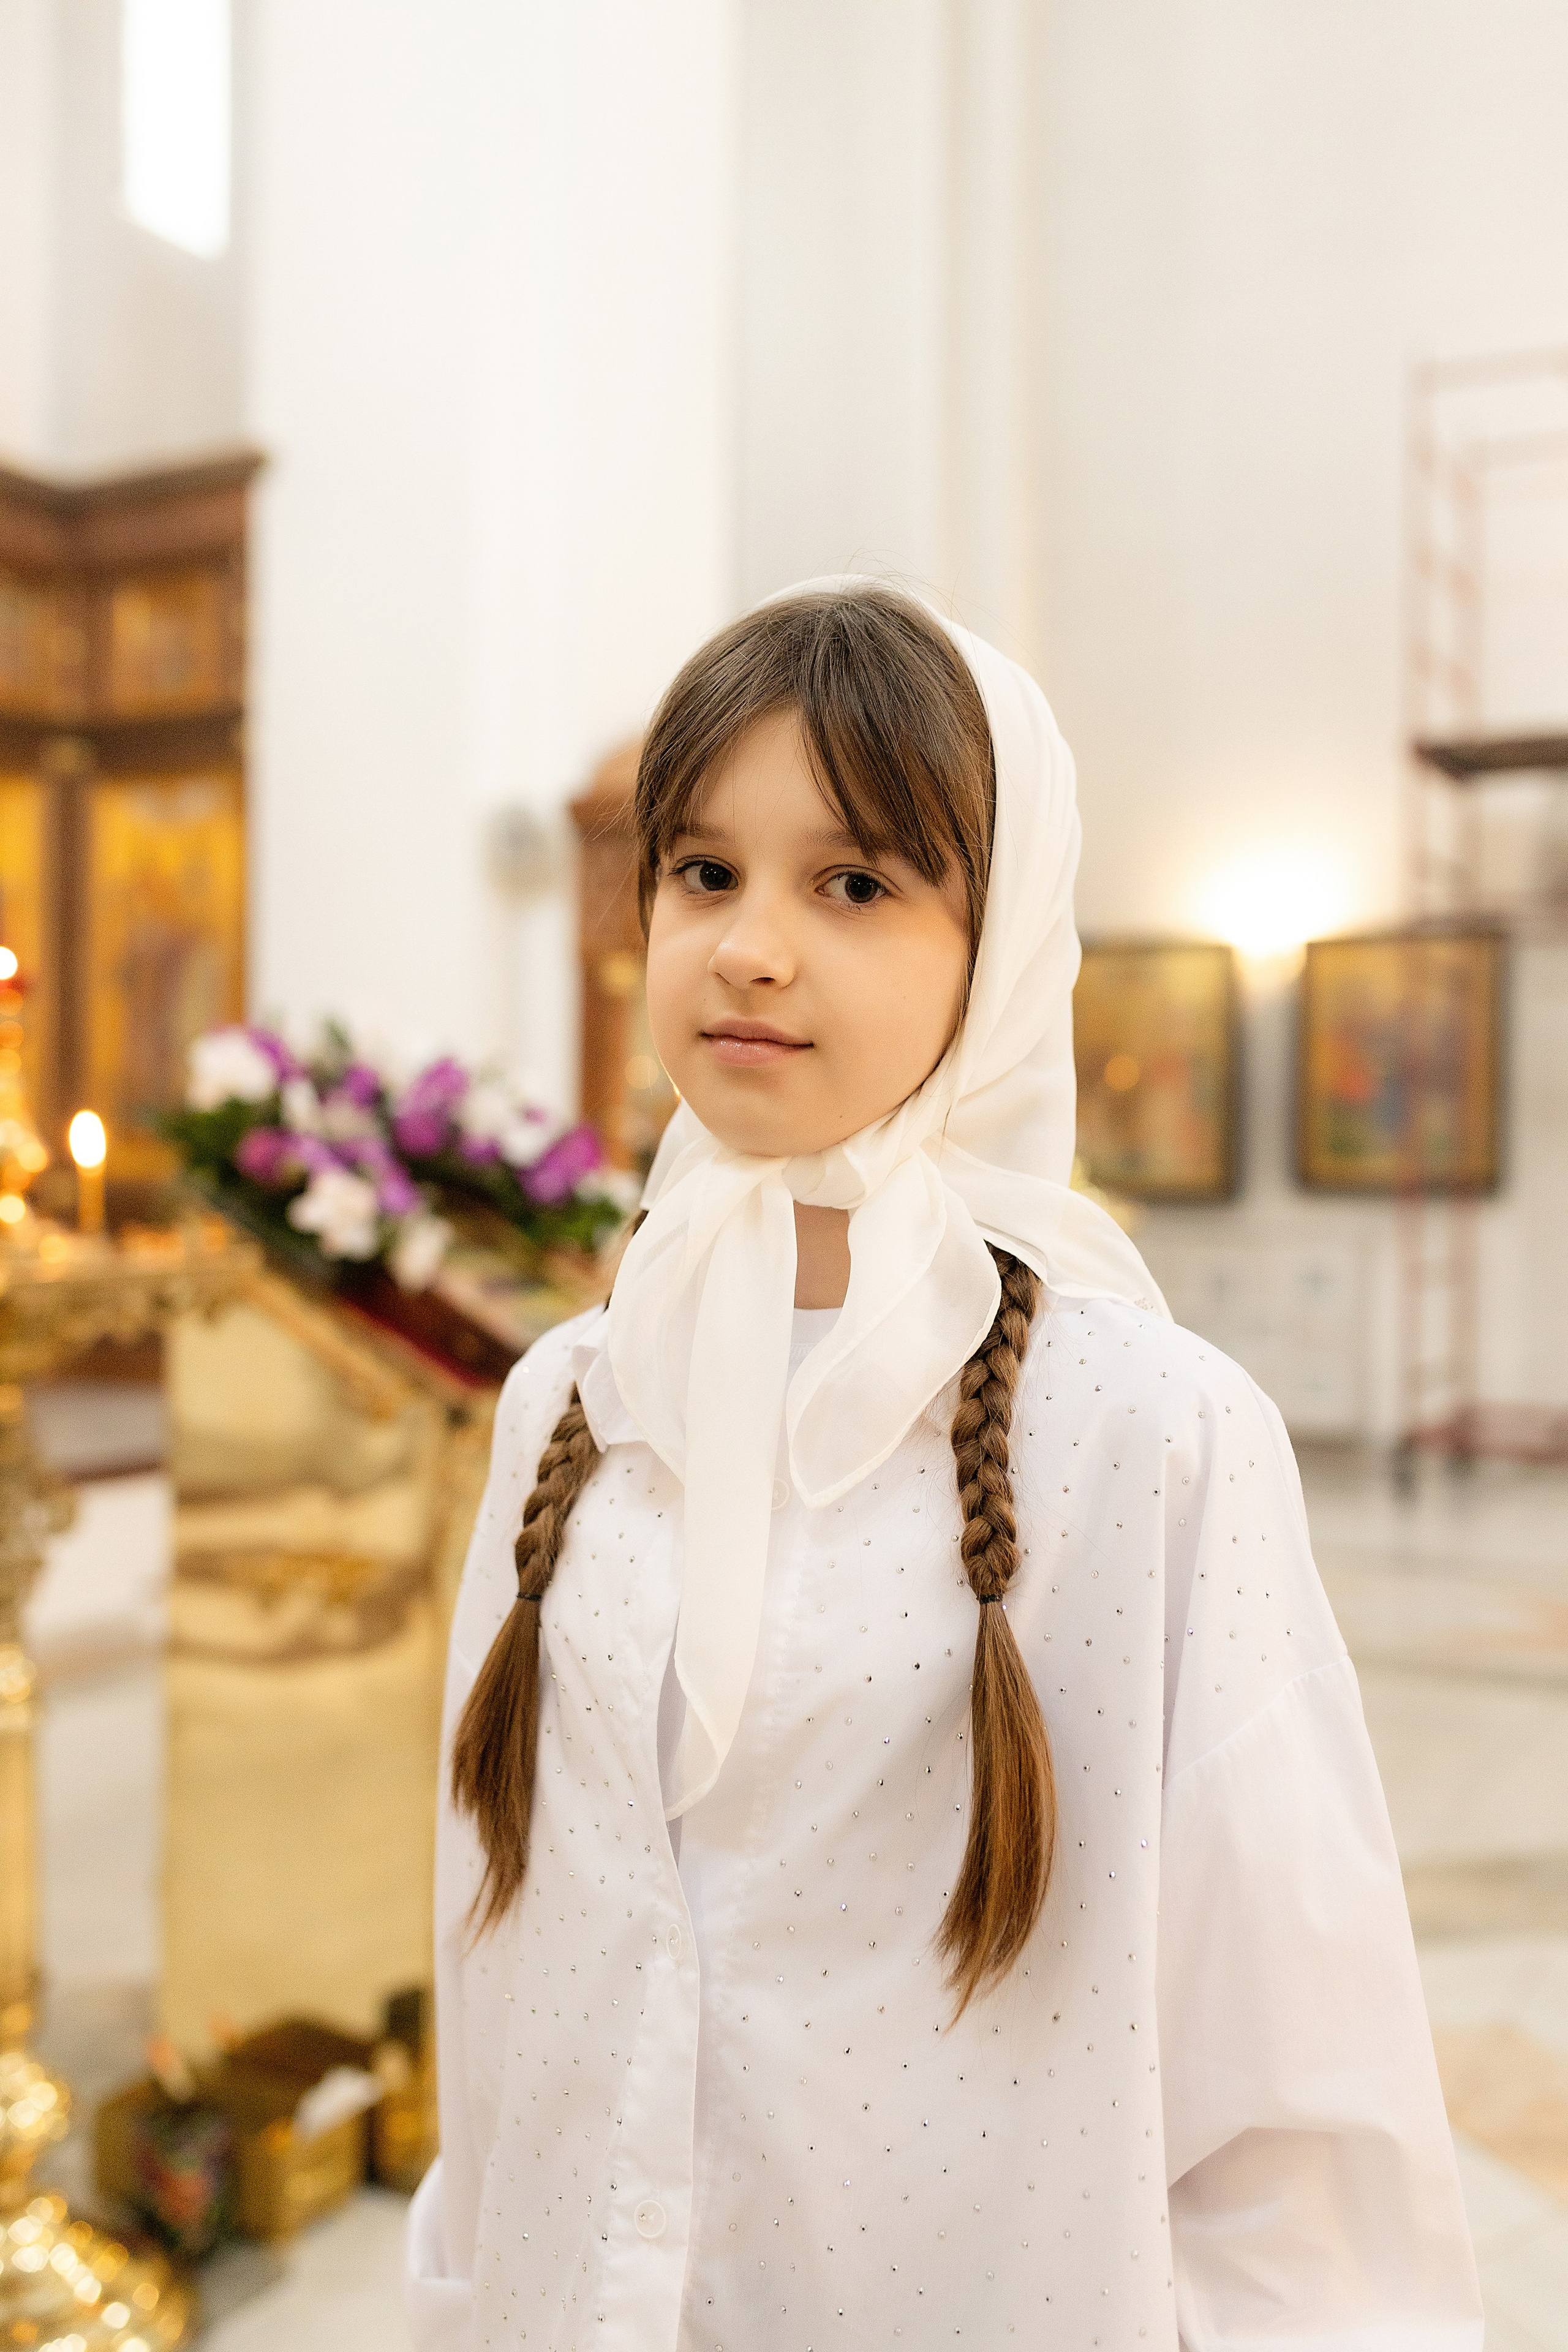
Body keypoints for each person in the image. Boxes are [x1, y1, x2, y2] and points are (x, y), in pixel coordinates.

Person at [405, 583, 1481, 2350]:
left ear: (1002, 947)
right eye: (703, 872)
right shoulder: (567, 1398)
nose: (752, 945)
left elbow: (1294, 2072)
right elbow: (502, 1933)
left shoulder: (1147, 1431)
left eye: (854, 883)